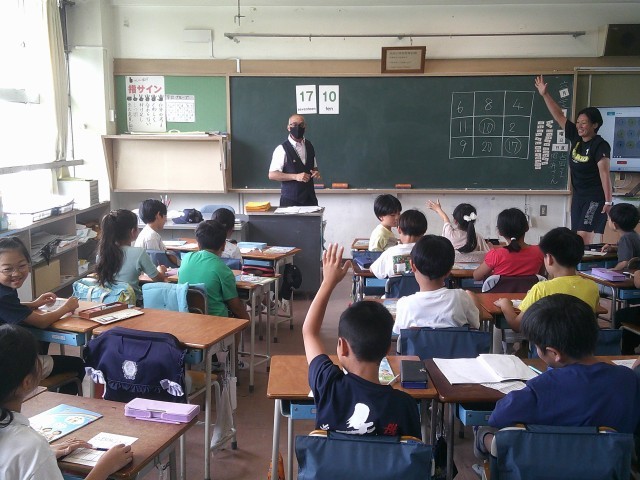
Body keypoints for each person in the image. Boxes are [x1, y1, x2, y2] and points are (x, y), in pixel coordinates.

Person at [474, 294, 640, 460]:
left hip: (545, 465)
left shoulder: (539, 389)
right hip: (610, 466)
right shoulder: (628, 379)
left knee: (488, 432)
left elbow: (498, 417)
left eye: (536, 345)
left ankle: (485, 450)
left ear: (554, 353)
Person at [302, 243, 421, 438]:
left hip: (335, 461)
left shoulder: (328, 385)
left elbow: (309, 332)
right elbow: (411, 450)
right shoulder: (404, 404)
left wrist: (328, 282)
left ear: (342, 346)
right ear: (388, 349)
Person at [0, 324, 133, 479]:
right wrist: (105, 466)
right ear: (27, 382)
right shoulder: (31, 446)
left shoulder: (29, 447)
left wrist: (45, 455)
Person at [535, 75, 613, 244]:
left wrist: (608, 201)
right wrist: (545, 94)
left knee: (582, 239)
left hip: (595, 198)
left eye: (584, 123)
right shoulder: (576, 138)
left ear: (595, 125)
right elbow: (558, 115)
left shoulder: (600, 145)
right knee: (575, 239)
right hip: (578, 197)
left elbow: (605, 174)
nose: (579, 126)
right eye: (578, 122)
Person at [0, 237, 84, 392]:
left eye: (22, 265)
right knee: (77, 365)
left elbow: (10, 307)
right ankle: (60, 402)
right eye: (7, 269)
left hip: (7, 355)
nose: (16, 273)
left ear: (29, 263)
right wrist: (66, 307)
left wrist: (33, 304)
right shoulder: (3, 295)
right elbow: (41, 322)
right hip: (8, 366)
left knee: (41, 342)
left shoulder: (4, 290)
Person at [494, 227, 599, 332]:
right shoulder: (592, 287)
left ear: (549, 258)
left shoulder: (541, 289)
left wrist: (505, 305)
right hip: (582, 341)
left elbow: (517, 326)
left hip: (549, 341)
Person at [393, 235, 480, 340]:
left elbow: (399, 332)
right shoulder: (461, 297)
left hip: (418, 351)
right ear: (449, 271)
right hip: (454, 351)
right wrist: (473, 298)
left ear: (412, 265)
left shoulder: (405, 304)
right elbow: (476, 324)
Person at [178, 220, 250, 321]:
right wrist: (247, 320)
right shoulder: (223, 269)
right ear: (223, 246)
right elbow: (235, 306)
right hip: (216, 320)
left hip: (188, 316)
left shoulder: (186, 258)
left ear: (198, 244)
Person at [96, 209, 166, 304]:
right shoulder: (139, 253)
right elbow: (158, 279)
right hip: (131, 303)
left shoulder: (101, 254)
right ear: (133, 231)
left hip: (106, 302)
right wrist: (161, 271)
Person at [473, 208, 544, 281]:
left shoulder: (495, 255)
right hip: (531, 289)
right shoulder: (539, 252)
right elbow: (541, 277)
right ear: (527, 228)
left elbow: (477, 277)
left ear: (500, 232)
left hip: (500, 289)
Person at [268, 114, 320, 207]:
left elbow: (314, 168)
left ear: (305, 127)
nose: (298, 128)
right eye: (294, 124)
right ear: (288, 127)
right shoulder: (281, 149)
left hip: (310, 199)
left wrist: (316, 172)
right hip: (290, 201)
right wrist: (295, 176)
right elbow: (272, 175)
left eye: (301, 125)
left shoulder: (309, 145)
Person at [370, 209, 427, 279]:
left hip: (397, 286)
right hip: (421, 286)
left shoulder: (390, 253)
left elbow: (373, 270)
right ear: (424, 232)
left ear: (399, 229)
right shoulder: (428, 252)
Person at [134, 199, 180, 266]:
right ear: (158, 215)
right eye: (165, 216)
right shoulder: (151, 237)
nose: (166, 220)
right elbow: (158, 263)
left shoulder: (147, 232)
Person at [601, 202, 640, 269]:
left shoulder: (625, 238)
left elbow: (625, 263)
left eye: (609, 218)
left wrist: (613, 270)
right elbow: (629, 250)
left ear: (615, 225)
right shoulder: (634, 235)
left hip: (629, 273)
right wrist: (614, 248)